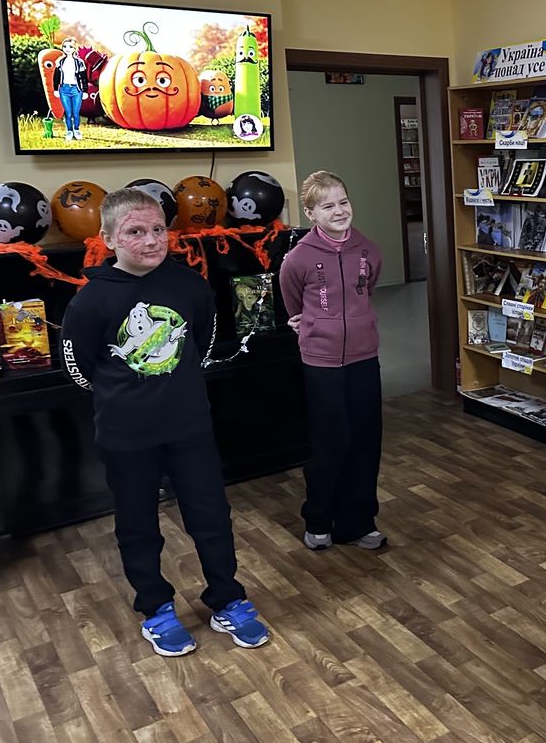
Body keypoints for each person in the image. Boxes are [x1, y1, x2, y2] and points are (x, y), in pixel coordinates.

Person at [61, 188, 271, 656]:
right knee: (138, 523)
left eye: (158, 229)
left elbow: (202, 342)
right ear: (108, 238)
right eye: (135, 232)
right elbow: (80, 370)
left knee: (211, 516)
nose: (152, 240)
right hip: (126, 435)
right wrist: (128, 396)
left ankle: (227, 598)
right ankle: (155, 607)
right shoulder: (90, 302)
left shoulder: (190, 286)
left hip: (189, 427)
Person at [280, 170, 385, 551]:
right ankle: (319, 520)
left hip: (363, 357)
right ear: (311, 213)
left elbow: (367, 290)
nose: (339, 211)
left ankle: (358, 522)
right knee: (330, 442)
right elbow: (293, 303)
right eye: (327, 206)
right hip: (321, 362)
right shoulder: (298, 258)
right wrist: (314, 325)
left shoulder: (368, 250)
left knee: (366, 440)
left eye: (343, 202)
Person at [53, 36, 87, 141]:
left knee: (75, 113)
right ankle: (69, 131)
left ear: (74, 48)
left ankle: (76, 130)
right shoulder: (60, 62)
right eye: (65, 46)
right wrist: (55, 89)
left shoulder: (79, 62)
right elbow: (56, 76)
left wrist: (85, 91)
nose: (67, 49)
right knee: (68, 113)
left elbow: (84, 77)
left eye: (70, 47)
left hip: (76, 90)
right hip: (64, 89)